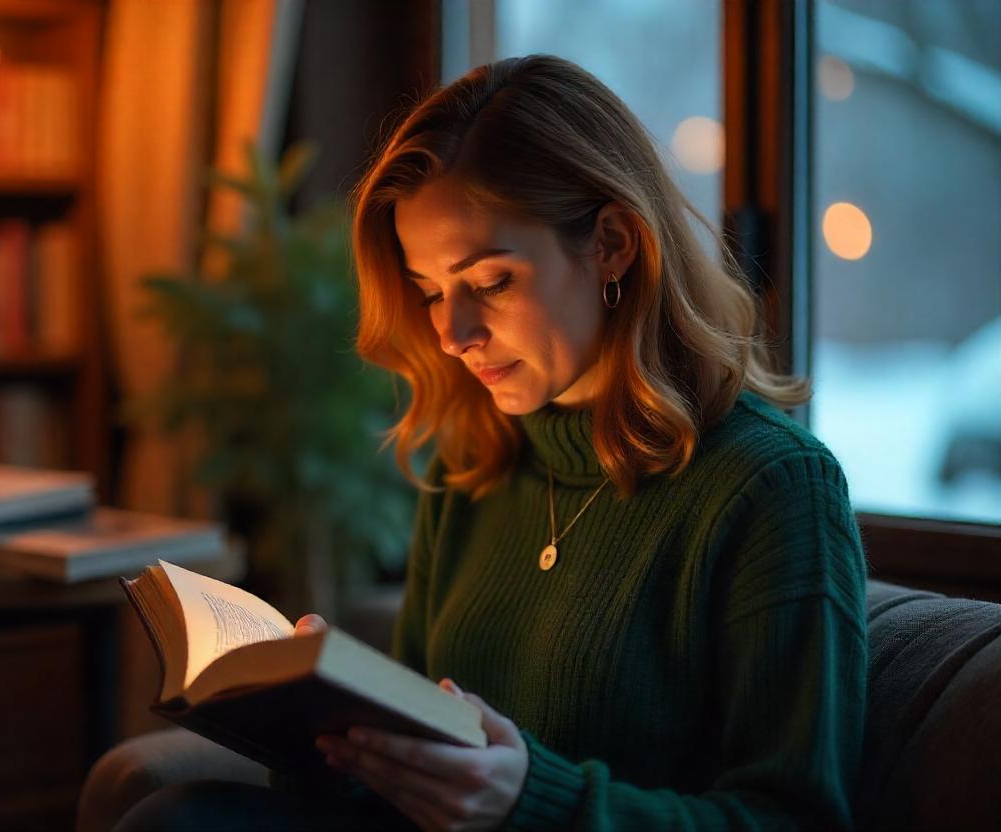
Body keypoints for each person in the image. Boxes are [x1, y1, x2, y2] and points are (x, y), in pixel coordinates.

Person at [115, 54, 867, 831]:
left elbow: (796, 818)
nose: (452, 334)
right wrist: (324, 729)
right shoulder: (474, 462)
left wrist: (532, 801)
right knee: (175, 816)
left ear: (612, 243)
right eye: (432, 292)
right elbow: (402, 784)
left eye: (492, 281)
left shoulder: (772, 487)